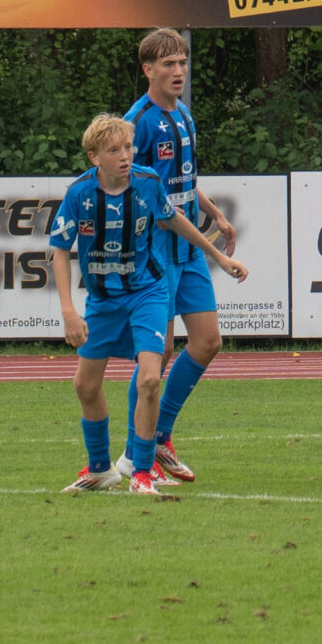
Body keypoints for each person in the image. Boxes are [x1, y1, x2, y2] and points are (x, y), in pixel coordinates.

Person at [52, 114, 248, 494]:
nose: (125, 156)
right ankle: (100, 469)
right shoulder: (79, 194)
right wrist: (68, 311)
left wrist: (219, 257)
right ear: (94, 157)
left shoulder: (147, 182)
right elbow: (59, 250)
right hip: (103, 300)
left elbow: (174, 220)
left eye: (128, 147)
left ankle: (141, 470)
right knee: (85, 386)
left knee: (150, 378)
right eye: (114, 150)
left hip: (148, 292)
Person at [127, 28, 237, 481]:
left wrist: (216, 213)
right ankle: (136, 454)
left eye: (182, 63)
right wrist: (217, 252)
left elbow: (184, 181)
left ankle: (160, 436)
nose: (178, 71)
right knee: (159, 351)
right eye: (168, 64)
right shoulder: (138, 122)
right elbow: (143, 193)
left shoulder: (185, 114)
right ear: (148, 69)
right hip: (156, 247)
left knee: (208, 341)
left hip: (187, 247)